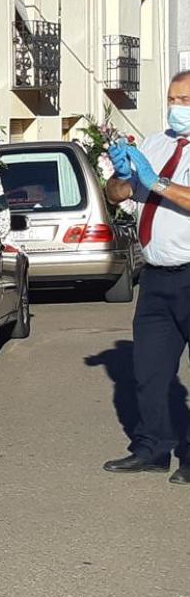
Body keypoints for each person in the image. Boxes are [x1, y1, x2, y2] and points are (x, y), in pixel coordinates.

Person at [103, 70, 190, 484]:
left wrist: (156, 181)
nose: (178, 108)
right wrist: (122, 177)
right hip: (156, 277)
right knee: (150, 371)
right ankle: (152, 448)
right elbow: (117, 195)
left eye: (186, 100)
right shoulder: (156, 144)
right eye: (173, 99)